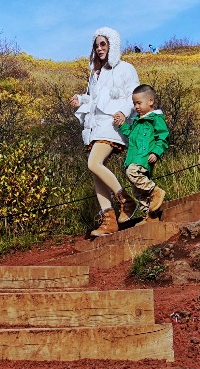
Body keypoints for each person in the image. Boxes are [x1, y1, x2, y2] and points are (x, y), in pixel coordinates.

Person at [68, 27, 138, 236]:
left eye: (103, 44)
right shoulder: (96, 74)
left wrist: (125, 113)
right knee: (95, 170)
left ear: (112, 45)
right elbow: (95, 99)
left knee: (93, 163)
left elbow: (132, 95)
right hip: (96, 126)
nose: (99, 49)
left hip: (112, 124)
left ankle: (126, 201)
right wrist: (81, 99)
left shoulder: (126, 68)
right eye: (96, 45)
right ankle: (109, 220)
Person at [117, 84, 170, 219]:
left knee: (132, 173)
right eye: (134, 104)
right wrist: (122, 125)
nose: (136, 107)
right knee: (138, 191)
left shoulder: (155, 119)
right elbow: (131, 135)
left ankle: (155, 191)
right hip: (134, 158)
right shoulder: (136, 121)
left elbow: (163, 137)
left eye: (139, 103)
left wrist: (156, 152)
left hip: (144, 158)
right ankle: (150, 216)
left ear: (150, 101)